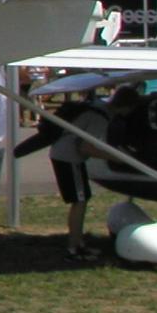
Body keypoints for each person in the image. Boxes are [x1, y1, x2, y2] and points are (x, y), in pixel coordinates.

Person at [16, 92, 106, 260]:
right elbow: (85, 147)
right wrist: (116, 158)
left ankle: (78, 243)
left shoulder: (91, 110)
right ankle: (74, 247)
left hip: (62, 154)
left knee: (81, 199)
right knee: (79, 201)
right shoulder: (100, 118)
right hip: (69, 158)